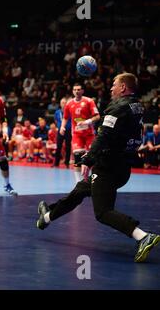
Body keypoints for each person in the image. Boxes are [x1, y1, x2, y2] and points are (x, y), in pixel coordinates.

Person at [36, 73, 160, 263]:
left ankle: (143, 236)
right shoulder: (137, 106)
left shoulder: (117, 107)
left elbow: (104, 136)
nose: (111, 89)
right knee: (80, 190)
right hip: (123, 166)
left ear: (123, 88)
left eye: (114, 85)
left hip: (108, 167)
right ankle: (47, 217)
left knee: (103, 212)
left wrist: (88, 159)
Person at [60, 83, 100, 181]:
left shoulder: (89, 101)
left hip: (89, 134)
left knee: (92, 158)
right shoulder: (69, 104)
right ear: (72, 91)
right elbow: (65, 118)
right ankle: (79, 183)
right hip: (77, 135)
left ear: (82, 91)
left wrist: (86, 122)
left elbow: (97, 116)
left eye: (79, 89)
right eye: (75, 90)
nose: (77, 91)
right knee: (77, 157)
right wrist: (62, 127)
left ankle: (93, 180)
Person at [52, 97, 72, 168]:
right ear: (60, 104)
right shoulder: (57, 112)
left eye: (65, 103)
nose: (63, 104)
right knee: (58, 147)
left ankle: (67, 163)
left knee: (68, 147)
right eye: (62, 103)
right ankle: (56, 163)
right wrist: (59, 127)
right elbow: (56, 120)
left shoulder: (70, 111)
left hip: (68, 130)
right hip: (60, 131)